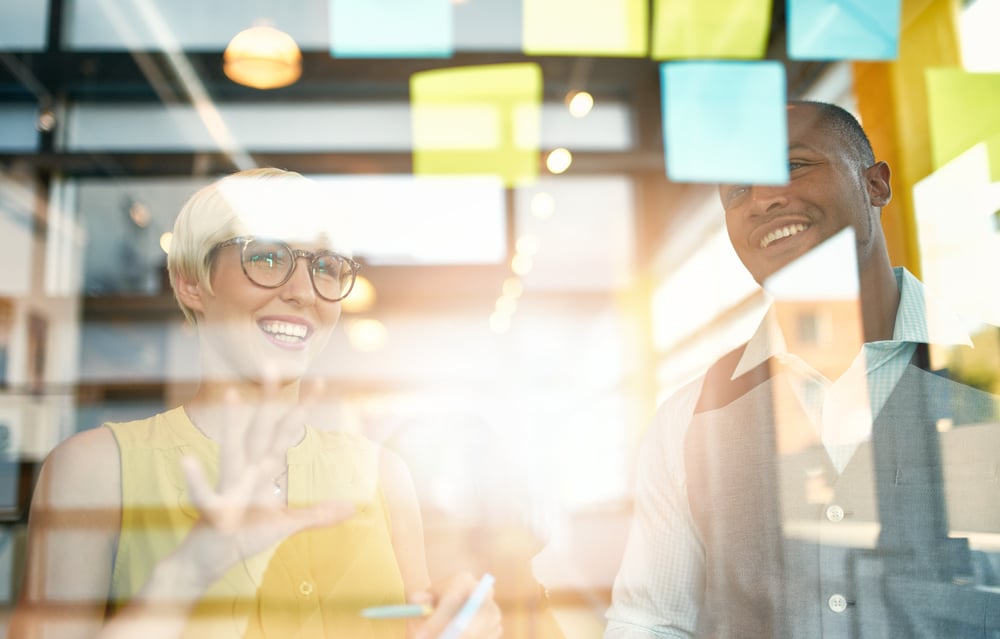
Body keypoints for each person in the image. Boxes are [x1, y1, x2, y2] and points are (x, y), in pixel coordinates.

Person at [10, 167, 503, 639]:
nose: (304, 291)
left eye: (326, 267)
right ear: (191, 282)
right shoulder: (94, 470)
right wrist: (186, 574)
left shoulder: (383, 477)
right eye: (266, 258)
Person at [606, 101, 1000, 637]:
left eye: (793, 165)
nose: (763, 199)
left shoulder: (987, 382)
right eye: (736, 192)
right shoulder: (688, 421)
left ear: (875, 185)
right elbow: (651, 621)